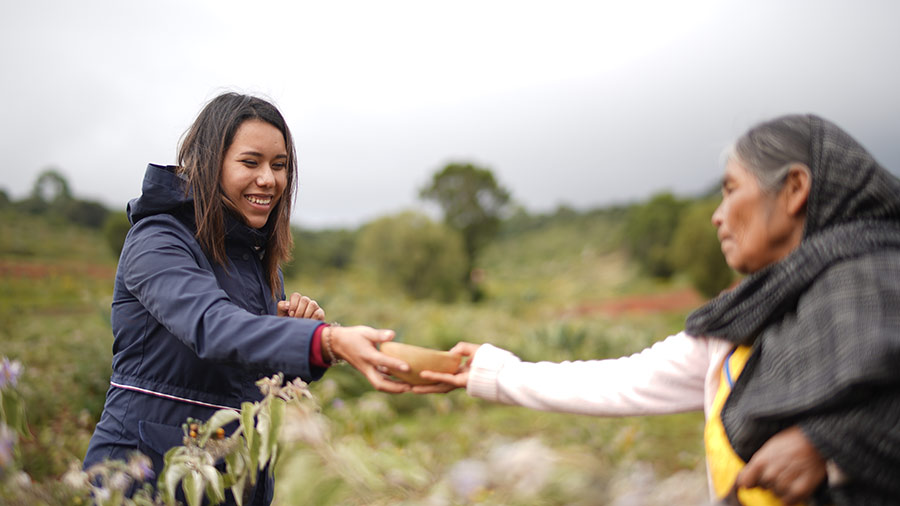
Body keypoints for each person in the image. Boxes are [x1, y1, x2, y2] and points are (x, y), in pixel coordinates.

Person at [415, 115, 900, 505]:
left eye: (731, 189)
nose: (717, 214)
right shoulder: (746, 318)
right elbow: (626, 380)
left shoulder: (878, 282)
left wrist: (831, 445)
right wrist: (492, 373)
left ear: (795, 189)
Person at [83, 92, 411, 504]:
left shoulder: (258, 263)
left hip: (229, 478)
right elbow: (212, 326)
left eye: (279, 166)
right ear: (209, 163)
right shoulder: (158, 241)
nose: (269, 180)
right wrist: (325, 340)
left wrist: (302, 337)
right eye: (250, 162)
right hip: (146, 473)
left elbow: (252, 375)